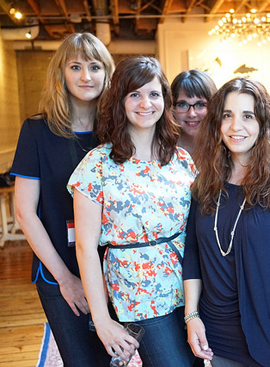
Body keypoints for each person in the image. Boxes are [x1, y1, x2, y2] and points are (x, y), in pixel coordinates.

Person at [68, 56, 196, 366]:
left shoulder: (181, 159)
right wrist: (102, 320)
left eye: (153, 94)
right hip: (138, 297)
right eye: (134, 94)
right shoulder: (97, 164)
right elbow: (85, 248)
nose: (145, 103)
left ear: (164, 100)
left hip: (191, 289)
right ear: (120, 101)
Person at [183, 77, 270, 367]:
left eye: (247, 116)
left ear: (263, 124)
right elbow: (193, 251)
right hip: (216, 332)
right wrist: (191, 315)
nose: (236, 127)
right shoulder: (204, 183)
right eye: (227, 116)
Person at [11, 32, 115, 366]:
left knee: (115, 357)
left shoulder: (116, 133)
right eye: (76, 66)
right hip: (58, 270)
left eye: (95, 66)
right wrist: (66, 279)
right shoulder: (37, 131)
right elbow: (25, 213)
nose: (86, 76)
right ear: (62, 73)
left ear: (106, 74)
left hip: (112, 271)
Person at [171, 69, 217, 156]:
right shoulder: (160, 149)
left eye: (200, 104)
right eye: (182, 105)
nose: (191, 114)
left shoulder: (226, 149)